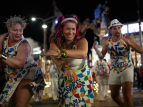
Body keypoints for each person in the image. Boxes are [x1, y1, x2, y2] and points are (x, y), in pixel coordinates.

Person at [42, 14, 94, 107]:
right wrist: (65, 67)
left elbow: (82, 53)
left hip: (82, 79)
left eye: (73, 29)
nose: (71, 32)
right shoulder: (55, 42)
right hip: (65, 77)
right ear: (61, 29)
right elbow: (55, 58)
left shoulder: (81, 40)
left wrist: (60, 52)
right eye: (67, 29)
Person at [92, 18, 143, 107]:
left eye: (119, 28)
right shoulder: (107, 41)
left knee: (127, 95)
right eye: (115, 28)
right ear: (111, 30)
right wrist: (96, 48)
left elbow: (141, 50)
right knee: (114, 96)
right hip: (114, 70)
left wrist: (130, 44)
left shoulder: (127, 38)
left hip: (127, 68)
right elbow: (101, 56)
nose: (117, 30)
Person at [0, 16, 46, 107]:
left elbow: (19, 64)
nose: (18, 33)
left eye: (20, 30)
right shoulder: (4, 37)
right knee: (11, 103)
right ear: (9, 30)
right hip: (14, 75)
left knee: (19, 104)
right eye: (15, 30)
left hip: (29, 73)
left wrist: (1, 56)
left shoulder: (23, 44)